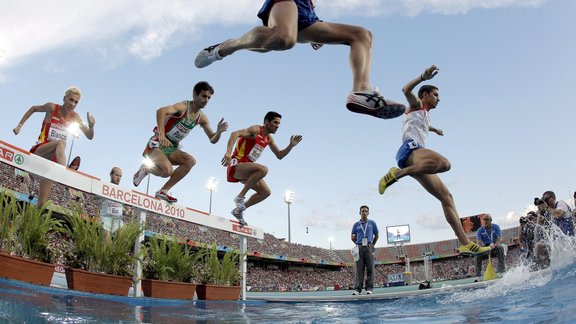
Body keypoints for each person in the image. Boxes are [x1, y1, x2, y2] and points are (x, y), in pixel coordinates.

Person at [194, 0, 405, 119]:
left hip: (307, 11)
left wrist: (316, 28)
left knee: (362, 35)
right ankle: (226, 47)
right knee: (284, 39)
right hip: (286, 2)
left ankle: (362, 91)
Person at [377, 65, 490, 256]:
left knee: (446, 197)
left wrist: (435, 130)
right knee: (444, 164)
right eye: (436, 95)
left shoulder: (426, 116)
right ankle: (397, 174)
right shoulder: (415, 105)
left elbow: (424, 126)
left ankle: (464, 243)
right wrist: (422, 77)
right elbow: (405, 89)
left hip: (417, 157)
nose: (439, 99)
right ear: (425, 95)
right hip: (410, 150)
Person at [133, 81, 228, 203]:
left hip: (172, 147)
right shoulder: (183, 106)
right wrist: (162, 135)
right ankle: (146, 169)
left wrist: (219, 132)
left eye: (209, 98)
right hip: (158, 143)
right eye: (203, 96)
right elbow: (160, 111)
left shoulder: (202, 118)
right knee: (167, 172)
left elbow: (212, 139)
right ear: (195, 94)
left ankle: (163, 191)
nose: (206, 100)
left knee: (190, 161)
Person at [13, 87, 95, 207]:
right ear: (64, 98)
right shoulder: (52, 108)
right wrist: (19, 126)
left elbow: (89, 136)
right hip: (41, 150)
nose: (72, 104)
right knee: (61, 143)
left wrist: (91, 126)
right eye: (70, 100)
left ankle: (27, 222)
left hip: (53, 162)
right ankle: (64, 174)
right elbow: (33, 108)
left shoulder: (75, 117)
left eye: (76, 102)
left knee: (42, 203)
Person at [222, 111, 302, 226]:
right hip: (236, 165)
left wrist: (291, 146)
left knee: (265, 192)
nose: (277, 126)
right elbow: (235, 133)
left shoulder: (269, 139)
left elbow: (279, 155)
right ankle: (240, 197)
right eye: (275, 122)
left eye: (279, 124)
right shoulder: (255, 130)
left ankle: (239, 210)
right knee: (263, 169)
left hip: (249, 170)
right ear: (266, 122)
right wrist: (228, 153)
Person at [350, 205, 378, 295]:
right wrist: (358, 244)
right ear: (359, 213)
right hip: (359, 247)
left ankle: (369, 288)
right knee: (359, 269)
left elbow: (376, 235)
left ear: (368, 213)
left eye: (366, 211)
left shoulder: (372, 223)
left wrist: (372, 244)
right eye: (362, 211)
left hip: (369, 246)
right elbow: (352, 237)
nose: (364, 212)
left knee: (370, 268)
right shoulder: (356, 225)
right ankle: (358, 289)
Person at [100, 167, 125, 232]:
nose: (119, 178)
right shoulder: (104, 187)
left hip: (118, 222)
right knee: (107, 242)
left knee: (123, 241)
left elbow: (125, 206)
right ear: (111, 174)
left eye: (120, 176)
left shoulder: (123, 191)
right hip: (105, 220)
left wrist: (128, 210)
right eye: (116, 175)